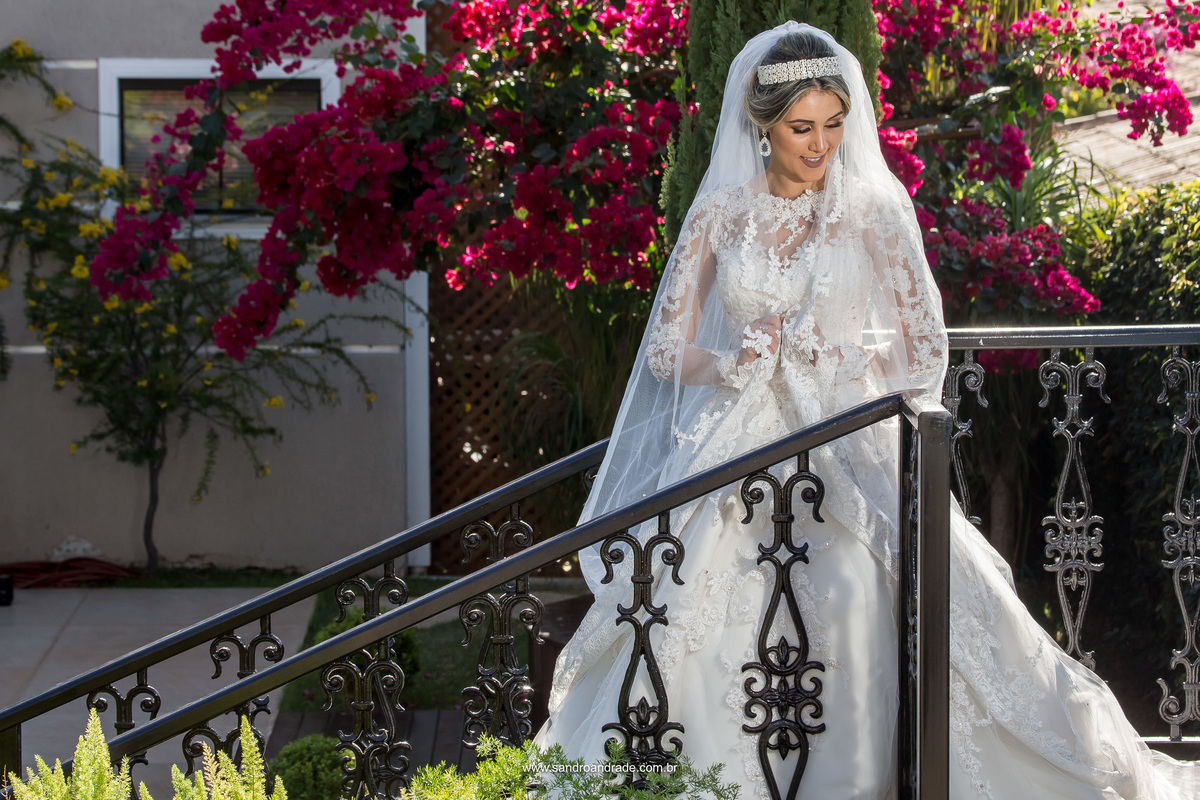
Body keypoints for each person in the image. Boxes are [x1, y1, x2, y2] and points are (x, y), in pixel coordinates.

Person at [534, 21, 1199, 800]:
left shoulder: (875, 213)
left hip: (848, 441)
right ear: (762, 126)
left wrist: (837, 358)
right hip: (737, 443)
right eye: (801, 128)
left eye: (834, 124)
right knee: (699, 598)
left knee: (853, 589)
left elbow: (922, 352)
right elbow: (665, 352)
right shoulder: (719, 216)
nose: (821, 145)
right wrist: (736, 359)